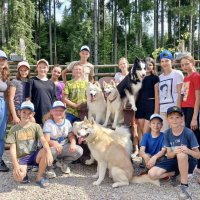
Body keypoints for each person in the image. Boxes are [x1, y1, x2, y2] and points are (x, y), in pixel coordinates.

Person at [148, 106, 200, 200]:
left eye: (177, 117)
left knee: (181, 154)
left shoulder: (188, 133)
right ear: (167, 119)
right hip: (173, 159)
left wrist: (187, 150)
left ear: (182, 119)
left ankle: (184, 186)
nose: (174, 120)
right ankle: (176, 173)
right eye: (171, 117)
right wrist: (174, 151)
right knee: (152, 174)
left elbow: (198, 155)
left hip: (187, 160)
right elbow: (169, 155)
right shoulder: (167, 133)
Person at [6, 101, 53, 188]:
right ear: (19, 112)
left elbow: (43, 141)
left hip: (34, 155)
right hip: (22, 157)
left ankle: (39, 177)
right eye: (24, 112)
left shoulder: (36, 127)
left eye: (29, 113)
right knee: (19, 177)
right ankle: (24, 170)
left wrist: (49, 152)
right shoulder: (14, 129)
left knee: (45, 151)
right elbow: (12, 149)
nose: (26, 115)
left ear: (33, 114)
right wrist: (15, 165)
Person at [43, 101, 83, 178]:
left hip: (63, 147)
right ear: (51, 111)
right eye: (56, 110)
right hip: (52, 148)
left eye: (61, 110)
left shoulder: (67, 122)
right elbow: (46, 140)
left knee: (79, 150)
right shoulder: (48, 123)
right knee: (51, 151)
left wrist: (73, 143)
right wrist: (54, 143)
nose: (58, 112)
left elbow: (71, 135)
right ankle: (48, 168)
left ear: (64, 112)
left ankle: (63, 163)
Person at [180, 55, 200, 184]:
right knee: (190, 140)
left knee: (196, 141)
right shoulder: (186, 78)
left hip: (193, 110)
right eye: (182, 65)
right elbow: (183, 97)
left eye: (187, 64)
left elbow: (198, 98)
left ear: (193, 63)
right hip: (185, 110)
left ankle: (198, 168)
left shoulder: (196, 76)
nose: (184, 67)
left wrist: (194, 118)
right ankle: (194, 169)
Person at [158, 50, 184, 132]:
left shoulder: (177, 74)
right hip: (163, 111)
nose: (164, 63)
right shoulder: (159, 77)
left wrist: (178, 110)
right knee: (164, 136)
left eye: (167, 61)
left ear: (171, 61)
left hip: (174, 110)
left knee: (177, 134)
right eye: (162, 61)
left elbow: (180, 93)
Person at [25, 59, 56, 125]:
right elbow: (28, 98)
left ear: (48, 69)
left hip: (48, 114)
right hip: (35, 113)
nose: (42, 69)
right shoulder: (31, 81)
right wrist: (30, 113)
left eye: (44, 67)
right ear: (37, 68)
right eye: (40, 67)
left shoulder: (51, 83)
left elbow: (53, 100)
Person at [136, 57, 159, 138]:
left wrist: (156, 110)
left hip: (150, 105)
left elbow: (157, 95)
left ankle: (146, 149)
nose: (148, 66)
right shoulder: (138, 78)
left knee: (146, 131)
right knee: (141, 129)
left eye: (150, 65)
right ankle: (142, 148)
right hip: (140, 105)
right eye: (146, 65)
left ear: (153, 66)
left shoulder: (155, 78)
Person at [0, 50, 10, 172]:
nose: (1, 62)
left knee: (2, 134)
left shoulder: (5, 74)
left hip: (3, 104)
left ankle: (0, 159)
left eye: (3, 60)